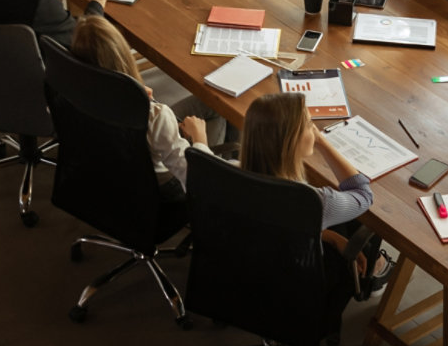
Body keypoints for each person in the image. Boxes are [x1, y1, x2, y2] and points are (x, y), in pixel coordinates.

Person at [237, 93, 395, 299]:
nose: (314, 128)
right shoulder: (315, 201)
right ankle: (374, 273)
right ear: (292, 140)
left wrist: (329, 236)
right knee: (353, 222)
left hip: (253, 267)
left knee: (339, 226)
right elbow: (363, 194)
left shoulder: (233, 174)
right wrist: (322, 141)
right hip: (296, 284)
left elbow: (276, 224)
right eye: (309, 123)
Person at [66, 16, 211, 191]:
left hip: (108, 178)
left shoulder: (69, 94)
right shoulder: (155, 115)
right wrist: (199, 139)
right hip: (159, 191)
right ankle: (225, 173)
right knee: (208, 106)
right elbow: (197, 180)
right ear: (125, 57)